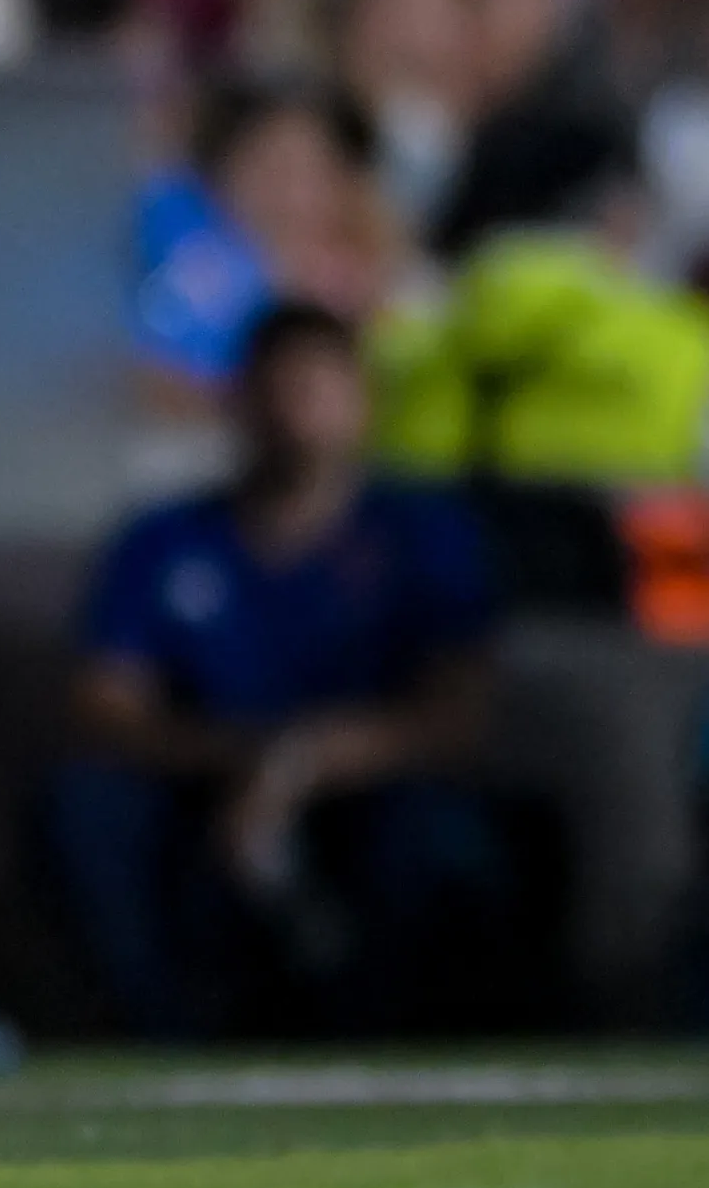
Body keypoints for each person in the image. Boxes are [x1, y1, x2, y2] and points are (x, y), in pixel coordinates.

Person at [51, 300, 514, 1036]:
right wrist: (248, 764)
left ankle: (382, 1041)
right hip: (204, 782)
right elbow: (104, 706)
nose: (296, 412)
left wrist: (299, 768)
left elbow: (457, 716)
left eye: (319, 389)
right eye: (277, 388)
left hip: (362, 784)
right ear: (239, 402)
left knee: (435, 832)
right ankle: (155, 1038)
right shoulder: (163, 538)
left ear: (364, 404)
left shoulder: (424, 533)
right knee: (87, 803)